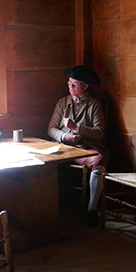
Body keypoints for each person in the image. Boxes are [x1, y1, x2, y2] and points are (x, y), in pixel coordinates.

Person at [48, 65, 108, 228]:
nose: (70, 87)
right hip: (63, 146)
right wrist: (64, 135)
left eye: (75, 84)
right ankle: (47, 209)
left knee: (99, 163)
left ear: (85, 86)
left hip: (84, 148)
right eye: (69, 83)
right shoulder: (62, 102)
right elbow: (51, 128)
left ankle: (92, 209)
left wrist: (77, 128)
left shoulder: (94, 104)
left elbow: (99, 133)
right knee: (43, 162)